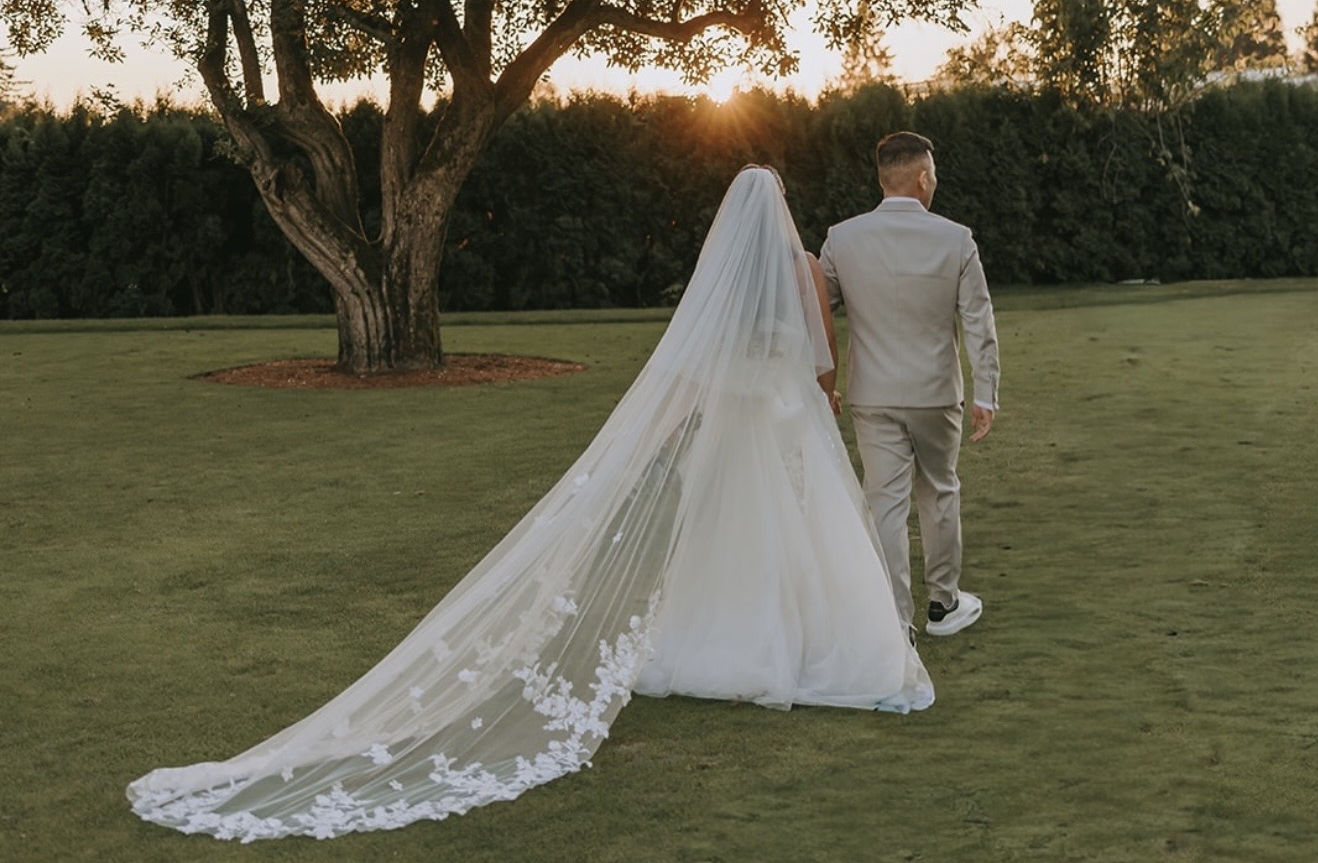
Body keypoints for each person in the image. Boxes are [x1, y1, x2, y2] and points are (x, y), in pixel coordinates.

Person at [129, 166, 932, 842]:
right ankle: (812, 648)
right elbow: (822, 361)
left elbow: (694, 374)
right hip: (788, 428)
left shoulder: (724, 280)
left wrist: (648, 443)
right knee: (802, 541)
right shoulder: (802, 271)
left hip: (736, 436)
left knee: (727, 540)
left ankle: (727, 650)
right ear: (783, 213)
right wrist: (818, 407)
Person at [819, 131, 999, 642]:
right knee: (939, 492)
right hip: (937, 393)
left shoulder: (842, 238)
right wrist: (985, 392)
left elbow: (816, 312)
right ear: (922, 178)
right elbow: (978, 321)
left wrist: (816, 377)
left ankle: (894, 624)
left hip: (872, 395)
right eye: (934, 175)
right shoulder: (956, 238)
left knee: (885, 504)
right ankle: (943, 604)